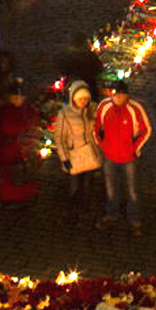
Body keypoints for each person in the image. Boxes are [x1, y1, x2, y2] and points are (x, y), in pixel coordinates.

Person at [95, 81, 152, 235]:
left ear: (127, 95)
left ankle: (134, 220)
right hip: (110, 157)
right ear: (112, 94)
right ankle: (111, 216)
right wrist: (103, 146)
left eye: (123, 94)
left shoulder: (135, 108)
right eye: (117, 94)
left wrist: (134, 148)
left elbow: (146, 130)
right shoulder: (104, 106)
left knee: (132, 190)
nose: (119, 98)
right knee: (111, 189)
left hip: (129, 158)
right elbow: (95, 127)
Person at [52, 80, 103, 214]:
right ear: (74, 98)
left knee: (87, 185)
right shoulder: (64, 114)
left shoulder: (93, 108)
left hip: (91, 154)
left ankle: (85, 208)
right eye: (80, 99)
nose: (83, 102)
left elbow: (100, 128)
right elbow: (59, 138)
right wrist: (64, 158)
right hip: (73, 155)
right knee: (74, 187)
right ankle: (72, 210)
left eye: (86, 99)